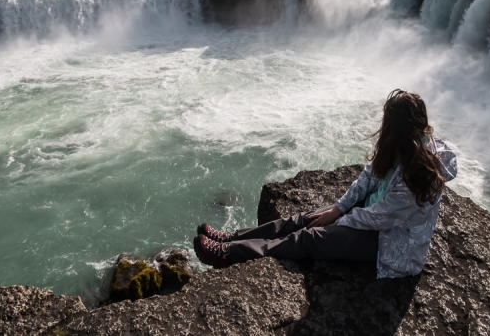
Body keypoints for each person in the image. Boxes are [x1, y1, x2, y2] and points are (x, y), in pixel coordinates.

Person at [193, 89, 458, 278]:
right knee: (301, 220)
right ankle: (231, 237)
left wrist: (341, 221)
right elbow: (367, 177)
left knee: (308, 239)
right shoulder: (398, 149)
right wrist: (338, 209)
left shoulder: (420, 171)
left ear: (396, 128)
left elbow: (383, 218)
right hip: (366, 220)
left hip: (388, 243)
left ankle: (229, 254)